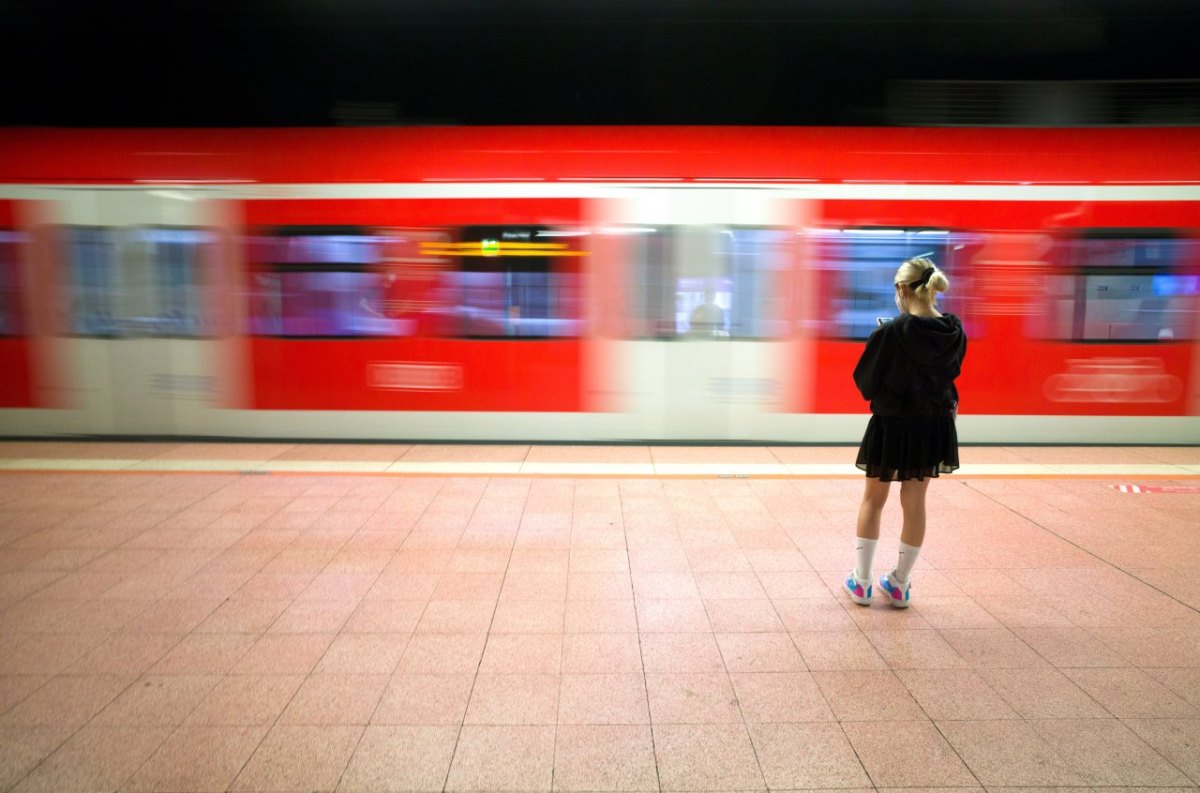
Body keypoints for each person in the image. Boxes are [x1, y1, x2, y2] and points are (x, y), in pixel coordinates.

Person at [845, 256, 966, 608]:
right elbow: (950, 374)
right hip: (934, 426)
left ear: (901, 289)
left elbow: (865, 384)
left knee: (873, 500)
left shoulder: (889, 333)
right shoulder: (955, 331)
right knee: (915, 504)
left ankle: (863, 583)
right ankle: (899, 584)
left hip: (892, 425)